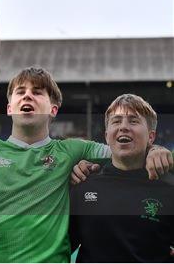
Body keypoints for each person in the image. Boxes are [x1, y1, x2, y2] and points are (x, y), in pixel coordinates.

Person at [0, 67, 173, 262]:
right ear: (9, 108)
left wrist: (156, 151)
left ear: (53, 110)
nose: (28, 95)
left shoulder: (73, 150)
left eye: (38, 91)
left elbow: (122, 151)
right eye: (20, 91)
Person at [70, 94, 174, 262]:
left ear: (151, 137)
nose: (123, 127)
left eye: (133, 121)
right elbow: (60, 247)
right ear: (106, 135)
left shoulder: (169, 189)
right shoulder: (82, 184)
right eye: (116, 121)